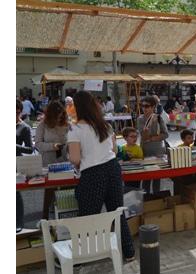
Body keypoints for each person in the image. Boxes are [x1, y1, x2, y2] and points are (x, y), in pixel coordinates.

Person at [67, 91, 135, 261]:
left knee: (88, 216)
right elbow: (113, 150)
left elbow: (75, 158)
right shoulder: (104, 125)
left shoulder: (75, 130)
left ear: (77, 107)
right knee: (117, 212)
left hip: (92, 173)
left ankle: (84, 256)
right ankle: (129, 252)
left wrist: (77, 160)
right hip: (112, 169)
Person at [34, 101, 69, 219]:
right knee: (49, 192)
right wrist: (52, 146)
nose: (60, 119)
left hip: (65, 163)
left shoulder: (67, 125)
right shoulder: (42, 125)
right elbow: (37, 144)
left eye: (61, 116)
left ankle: (64, 221)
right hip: (48, 163)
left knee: (66, 194)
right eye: (57, 117)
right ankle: (45, 219)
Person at [16, 99, 34, 232]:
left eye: (17, 112)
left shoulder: (24, 128)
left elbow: (30, 149)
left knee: (15, 194)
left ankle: (18, 222)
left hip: (15, 163)